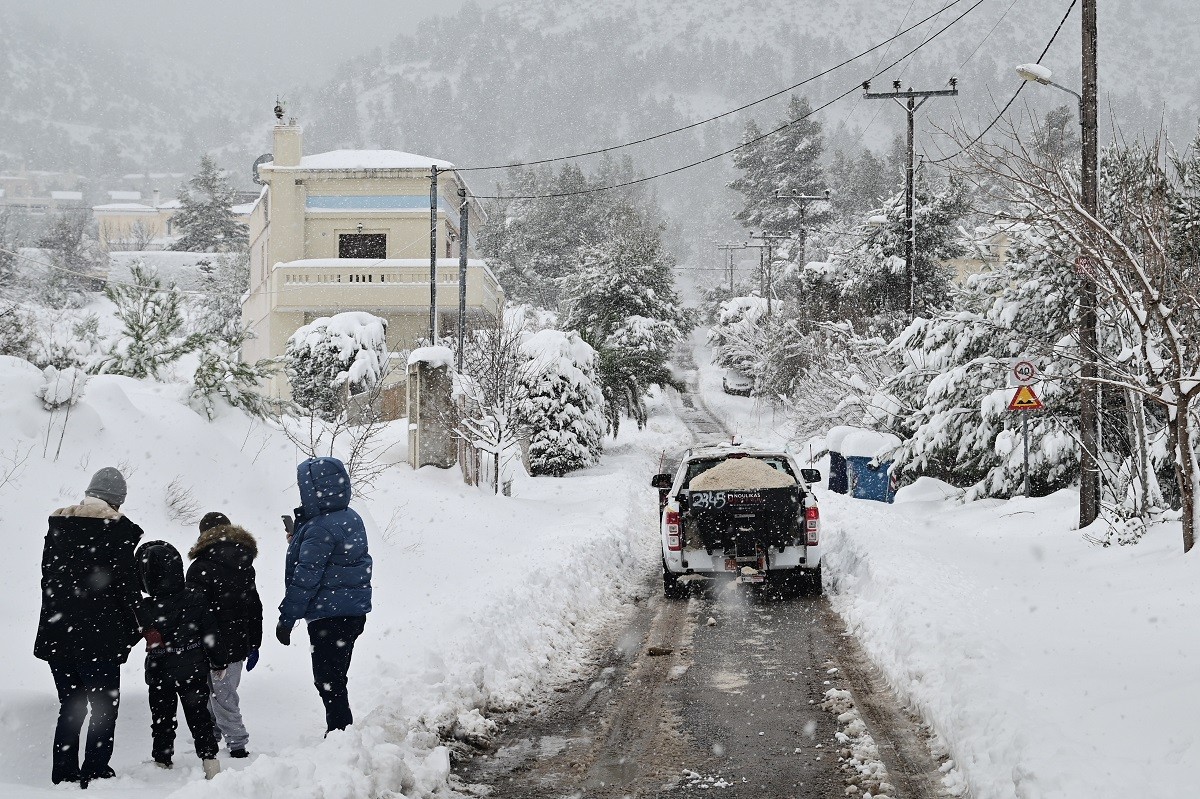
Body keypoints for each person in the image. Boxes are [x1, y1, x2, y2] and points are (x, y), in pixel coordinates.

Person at [34, 467, 143, 787]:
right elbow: (127, 590)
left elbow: (48, 581)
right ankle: (95, 770)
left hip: (59, 635)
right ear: (117, 501)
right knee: (103, 707)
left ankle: (64, 773)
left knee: (71, 704)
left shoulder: (59, 528)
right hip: (99, 638)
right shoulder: (116, 533)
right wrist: (143, 626)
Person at [276, 457, 373, 734]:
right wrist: (300, 538)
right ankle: (341, 733)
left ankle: (340, 734)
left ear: (315, 489)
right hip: (351, 612)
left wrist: (287, 619)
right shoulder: (349, 516)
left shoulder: (319, 528)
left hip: (330, 616)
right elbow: (339, 559)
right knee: (335, 677)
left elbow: (306, 578)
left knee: (327, 679)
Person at [135, 540, 223, 780]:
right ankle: (210, 761)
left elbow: (131, 637)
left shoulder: (143, 606)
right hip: (192, 665)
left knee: (162, 718)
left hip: (159, 667)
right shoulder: (195, 598)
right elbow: (210, 633)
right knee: (199, 717)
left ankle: (162, 762)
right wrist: (219, 661)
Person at [186, 511, 263, 758]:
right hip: (238, 641)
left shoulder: (199, 567)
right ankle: (214, 733)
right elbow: (254, 605)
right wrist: (254, 642)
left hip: (210, 642)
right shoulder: (244, 563)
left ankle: (237, 743)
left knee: (220, 694)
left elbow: (195, 611)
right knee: (222, 691)